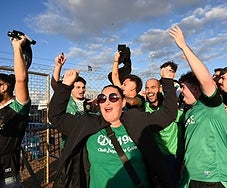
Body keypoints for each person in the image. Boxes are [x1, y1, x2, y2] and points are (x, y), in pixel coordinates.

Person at [48, 66, 178, 188]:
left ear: (123, 103)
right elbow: (56, 116)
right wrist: (65, 85)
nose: (107, 101)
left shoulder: (136, 120)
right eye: (102, 98)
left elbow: (168, 114)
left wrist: (167, 81)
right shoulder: (88, 123)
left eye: (113, 97)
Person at [169, 25, 227, 187]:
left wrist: (184, 46)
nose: (181, 92)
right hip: (191, 178)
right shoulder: (189, 111)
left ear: (196, 89)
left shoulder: (210, 105)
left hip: (212, 179)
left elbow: (205, 79)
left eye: (183, 88)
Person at [144, 68, 185, 186]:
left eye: (153, 87)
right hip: (155, 157)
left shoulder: (170, 108)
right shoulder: (144, 107)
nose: (149, 91)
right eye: (147, 88)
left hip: (173, 156)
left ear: (160, 89)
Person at [0, 36, 31, 187]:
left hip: (7, 173)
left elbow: (21, 80)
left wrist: (17, 47)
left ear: (4, 87)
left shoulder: (18, 107)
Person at [51, 53, 90, 149]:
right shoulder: (66, 101)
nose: (81, 90)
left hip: (86, 145)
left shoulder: (89, 103)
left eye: (83, 87)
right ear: (71, 88)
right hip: (68, 144)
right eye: (78, 87)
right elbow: (55, 85)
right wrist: (58, 66)